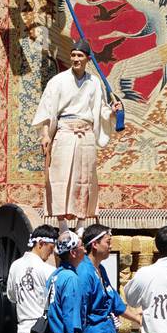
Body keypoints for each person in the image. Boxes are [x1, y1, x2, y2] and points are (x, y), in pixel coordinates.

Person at [32, 41, 123, 232]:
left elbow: (100, 111)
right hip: (65, 132)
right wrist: (45, 135)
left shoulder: (95, 83)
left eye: (80, 56)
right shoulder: (57, 81)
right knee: (60, 176)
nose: (75, 59)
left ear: (88, 59)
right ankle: (63, 225)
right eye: (73, 55)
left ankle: (81, 224)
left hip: (86, 135)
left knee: (85, 177)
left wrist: (113, 112)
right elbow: (47, 111)